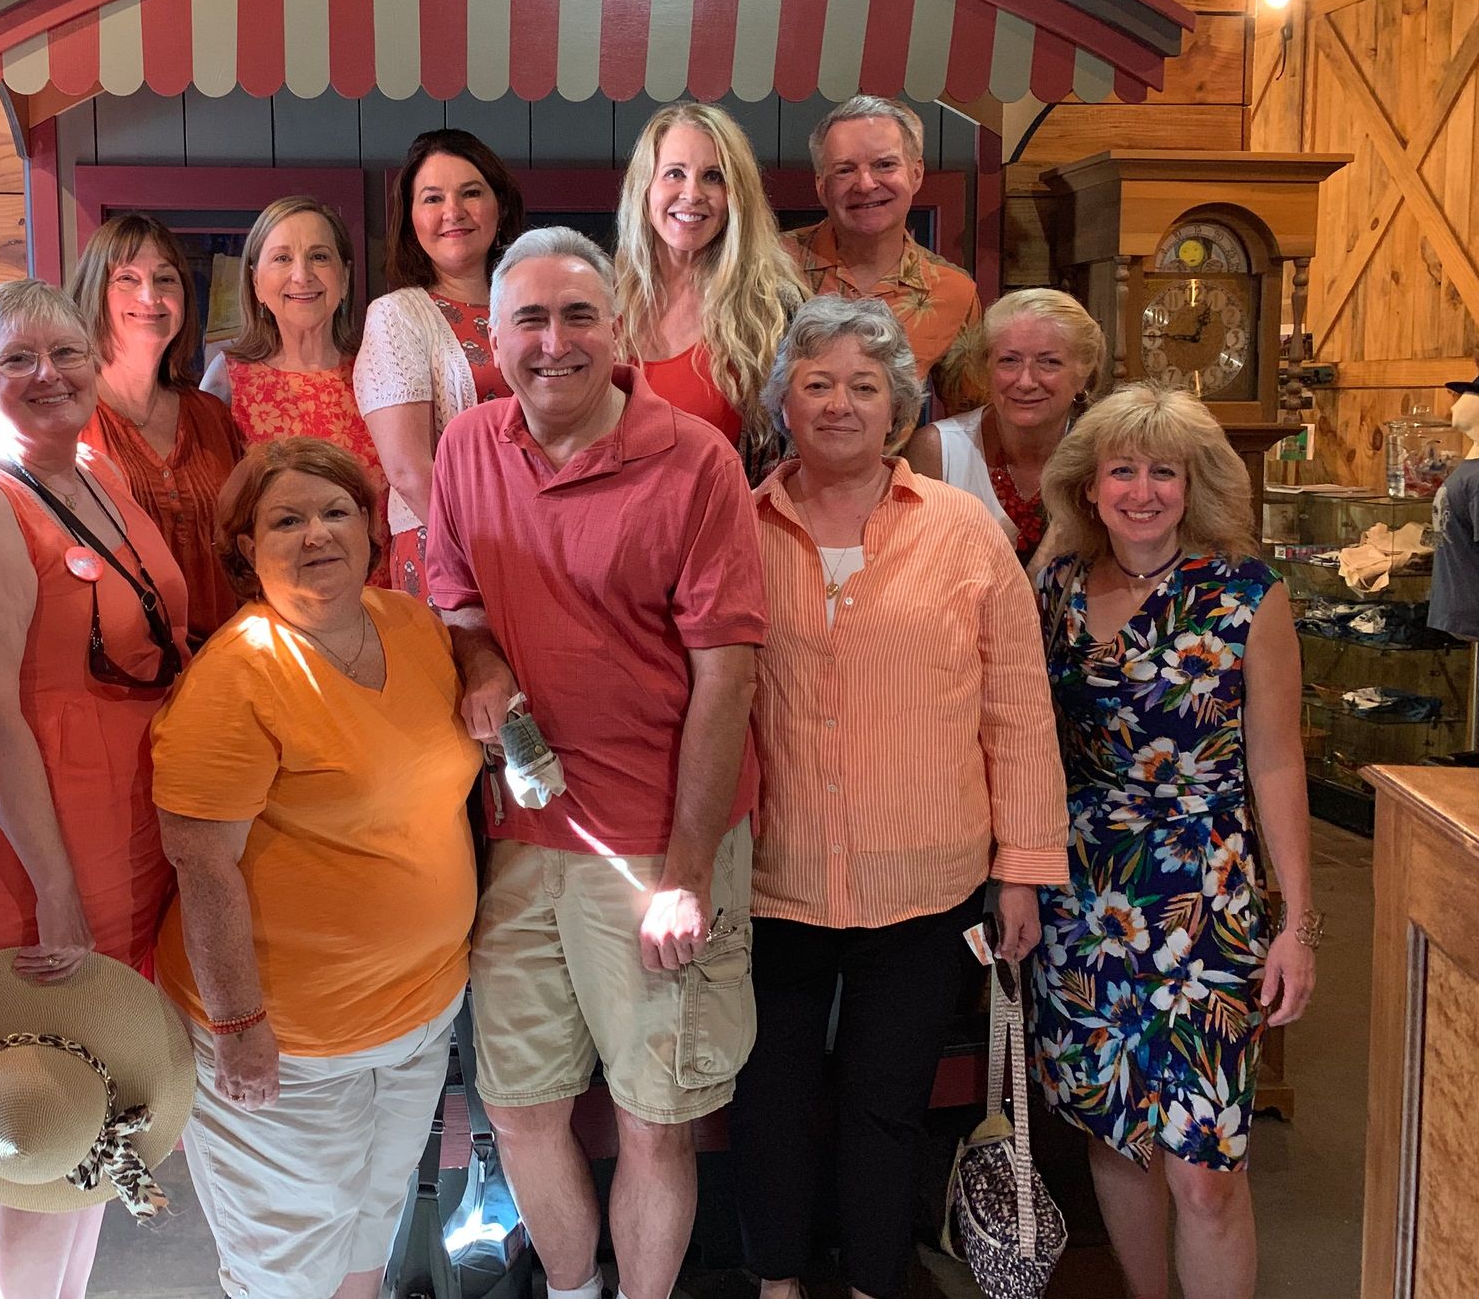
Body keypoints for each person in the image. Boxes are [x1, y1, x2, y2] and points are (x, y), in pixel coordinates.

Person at [429, 227, 767, 1299]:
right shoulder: (465, 446)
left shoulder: (695, 461)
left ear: (617, 329)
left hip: (657, 845)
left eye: (578, 316)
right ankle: (572, 1291)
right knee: (519, 1106)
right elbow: (455, 599)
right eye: (528, 319)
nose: (554, 342)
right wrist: (481, 660)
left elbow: (726, 679)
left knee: (655, 1117)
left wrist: (689, 871)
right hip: (519, 839)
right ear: (491, 339)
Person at [727, 297, 1069, 1299]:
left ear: (897, 407)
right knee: (767, 1100)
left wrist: (1021, 870)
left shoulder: (963, 532)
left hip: (925, 882)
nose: (838, 404)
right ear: (783, 402)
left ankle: (876, 1280)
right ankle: (776, 1280)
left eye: (862, 386)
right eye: (816, 383)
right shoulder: (733, 527)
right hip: (772, 879)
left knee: (886, 1105)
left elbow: (1016, 709)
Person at [151, 437, 482, 1299]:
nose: (316, 535)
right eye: (285, 521)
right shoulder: (240, 675)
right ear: (246, 547)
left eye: (336, 512)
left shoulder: (409, 625)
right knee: (285, 1270)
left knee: (370, 1233)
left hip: (417, 1019)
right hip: (288, 1047)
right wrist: (239, 1027)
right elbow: (200, 864)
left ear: (371, 529)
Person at [0, 278, 189, 1299]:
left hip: (120, 845)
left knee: (100, 1106)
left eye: (67, 353)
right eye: (18, 359)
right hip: (35, 864)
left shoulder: (93, 471)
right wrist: (56, 888)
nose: (48, 375)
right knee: (39, 1121)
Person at [1030, 383, 1318, 1299]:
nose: (1143, 491)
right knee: (1117, 1135)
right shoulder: (1056, 587)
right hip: (1084, 896)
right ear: (1089, 485)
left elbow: (1277, 763)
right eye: (1123, 470)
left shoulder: (1247, 596)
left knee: (1206, 1166)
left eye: (1165, 472)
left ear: (1195, 487)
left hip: (1209, 899)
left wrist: (1298, 925)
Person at [356, 128, 527, 596]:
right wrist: (487, 558)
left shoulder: (531, 306)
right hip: (449, 550)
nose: (453, 211)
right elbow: (409, 471)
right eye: (433, 198)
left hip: (544, 539)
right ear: (411, 218)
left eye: (471, 193)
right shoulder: (397, 316)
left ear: (499, 206)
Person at [67, 212, 244, 638]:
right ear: (93, 293)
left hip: (222, 658)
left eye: (166, 279)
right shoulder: (67, 418)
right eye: (126, 278)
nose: (150, 296)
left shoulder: (212, 415)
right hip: (115, 665)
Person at [612, 101, 807, 478]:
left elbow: (797, 454)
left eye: (713, 176)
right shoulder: (602, 300)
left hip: (731, 512)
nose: (692, 193)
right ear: (644, 187)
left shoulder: (774, 307)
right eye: (674, 173)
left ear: (737, 195)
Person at [780, 94, 981, 382]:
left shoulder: (954, 292)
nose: (865, 184)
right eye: (845, 170)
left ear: (916, 173)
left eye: (885, 165)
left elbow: (973, 407)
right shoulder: (767, 265)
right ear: (822, 186)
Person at [903, 286, 1106, 561]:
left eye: (1049, 362)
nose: (1025, 381)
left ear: (1083, 374)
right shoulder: (937, 450)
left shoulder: (1106, 451)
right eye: (1009, 361)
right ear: (986, 367)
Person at [201, 195, 385, 497]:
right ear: (256, 282)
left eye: (319, 257)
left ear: (344, 276)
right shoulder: (228, 380)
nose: (302, 276)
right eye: (282, 258)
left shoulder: (380, 372)